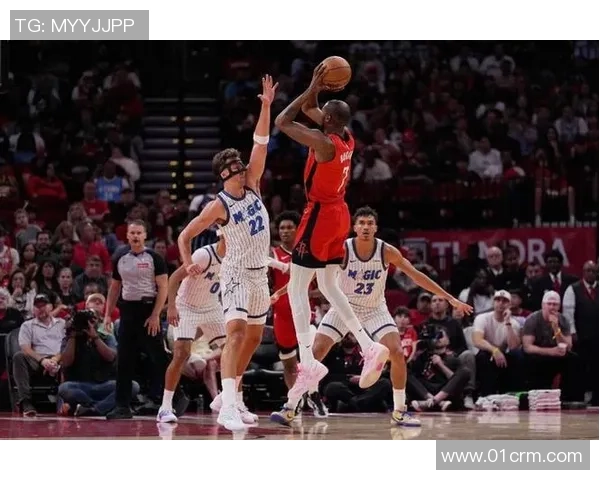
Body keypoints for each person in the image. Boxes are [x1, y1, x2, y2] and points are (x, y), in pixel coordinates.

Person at [271, 207, 472, 426]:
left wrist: (450, 298)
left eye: (369, 223)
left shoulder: (386, 251)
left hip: (374, 309)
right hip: (343, 308)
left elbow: (416, 275)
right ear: (354, 227)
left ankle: (400, 410)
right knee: (314, 353)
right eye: (361, 223)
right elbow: (307, 277)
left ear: (375, 227)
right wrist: (281, 292)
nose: (365, 227)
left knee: (396, 352)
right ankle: (292, 406)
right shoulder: (342, 249)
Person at [273, 64, 389, 402]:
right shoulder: (346, 136)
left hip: (320, 215)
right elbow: (311, 108)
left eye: (322, 113)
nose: (317, 114)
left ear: (327, 120)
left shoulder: (323, 144)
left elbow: (283, 121)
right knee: (327, 285)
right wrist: (317, 92)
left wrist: (313, 84)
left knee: (297, 288)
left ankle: (308, 361)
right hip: (340, 213)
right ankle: (368, 345)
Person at [177, 75, 277, 431]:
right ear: (224, 175)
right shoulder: (217, 206)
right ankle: (227, 406)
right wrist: (187, 262)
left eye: (241, 165)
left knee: (253, 338)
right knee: (235, 334)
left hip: (259, 274)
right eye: (235, 168)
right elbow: (185, 235)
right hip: (234, 272)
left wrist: (266, 106)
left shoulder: (253, 185)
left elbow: (261, 143)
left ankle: (229, 397)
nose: (242, 169)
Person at [102, 220, 173, 419]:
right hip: (128, 311)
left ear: (145, 235)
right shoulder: (120, 257)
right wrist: (107, 314)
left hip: (148, 310)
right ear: (127, 235)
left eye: (139, 233)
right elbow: (114, 288)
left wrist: (155, 315)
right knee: (124, 360)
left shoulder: (154, 257)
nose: (135, 236)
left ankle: (175, 398)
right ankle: (122, 406)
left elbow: (164, 288)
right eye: (132, 233)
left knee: (158, 357)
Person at [157, 237, 226, 423]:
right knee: (181, 354)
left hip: (211, 307)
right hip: (187, 307)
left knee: (232, 350)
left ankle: (231, 401)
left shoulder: (236, 257)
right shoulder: (204, 254)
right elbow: (174, 278)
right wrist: (171, 307)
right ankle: (165, 407)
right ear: (222, 235)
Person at [268, 211, 327, 416]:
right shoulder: (273, 254)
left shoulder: (307, 253)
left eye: (289, 227)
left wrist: (305, 292)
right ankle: (296, 402)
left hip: (305, 312)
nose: (285, 231)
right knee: (289, 365)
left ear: (297, 229)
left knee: (310, 359)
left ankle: (314, 394)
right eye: (282, 228)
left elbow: (323, 288)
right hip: (282, 315)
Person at [58, 310, 138, 416]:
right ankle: (102, 406)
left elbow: (111, 357)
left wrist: (95, 337)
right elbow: (66, 363)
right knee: (64, 388)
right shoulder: (69, 339)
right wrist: (72, 336)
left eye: (92, 320)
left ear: (98, 321)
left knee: (133, 386)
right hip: (81, 385)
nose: (88, 324)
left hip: (104, 383)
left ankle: (92, 409)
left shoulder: (107, 337)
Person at [471, 290, 523, 396]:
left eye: (504, 301)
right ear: (493, 303)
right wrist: (494, 350)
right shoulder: (482, 318)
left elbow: (513, 347)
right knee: (483, 356)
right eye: (498, 300)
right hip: (486, 353)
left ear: (510, 305)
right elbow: (477, 340)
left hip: (503, 356)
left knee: (517, 356)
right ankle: (487, 395)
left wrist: (507, 323)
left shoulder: (514, 323)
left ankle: (510, 394)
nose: (501, 303)